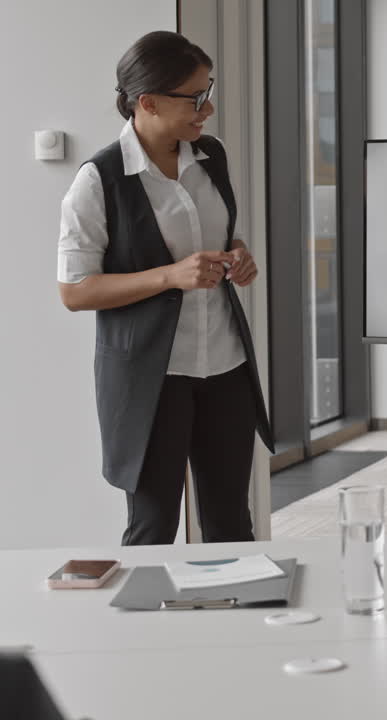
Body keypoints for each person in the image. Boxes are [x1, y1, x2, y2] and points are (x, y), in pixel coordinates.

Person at [57, 31, 273, 546]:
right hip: (153, 379)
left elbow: (215, 235)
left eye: (209, 90)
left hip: (225, 366)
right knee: (153, 528)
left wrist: (237, 253)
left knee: (230, 524)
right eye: (195, 97)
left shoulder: (210, 156)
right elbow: (74, 291)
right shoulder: (99, 179)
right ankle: (148, 627)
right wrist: (170, 276)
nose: (209, 106)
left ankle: (230, 621)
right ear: (146, 101)